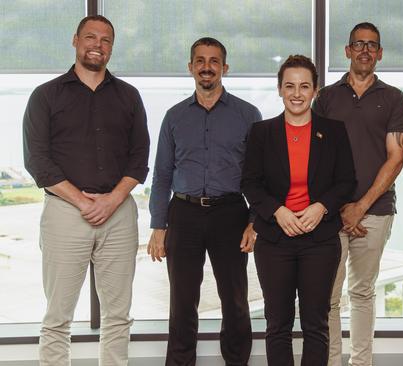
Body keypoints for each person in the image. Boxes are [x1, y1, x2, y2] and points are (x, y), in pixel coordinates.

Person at [22, 15, 149, 365]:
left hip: (119, 212)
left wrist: (112, 200)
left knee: (118, 314)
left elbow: (139, 158)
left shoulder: (129, 96)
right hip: (65, 212)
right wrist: (83, 201)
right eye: (90, 37)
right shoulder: (45, 96)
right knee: (58, 316)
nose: (98, 44)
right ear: (75, 40)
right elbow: (38, 161)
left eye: (106, 39)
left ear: (112, 46)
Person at [147, 37, 260, 365]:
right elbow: (162, 175)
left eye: (213, 61)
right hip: (183, 213)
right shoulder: (174, 116)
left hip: (231, 213)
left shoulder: (247, 115)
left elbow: (259, 176)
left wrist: (254, 221)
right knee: (182, 301)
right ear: (191, 67)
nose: (206, 66)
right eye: (200, 60)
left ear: (225, 68)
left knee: (235, 299)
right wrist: (158, 225)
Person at [241, 55, 356, 366]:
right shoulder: (261, 133)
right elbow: (250, 184)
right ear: (279, 89)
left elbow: (347, 182)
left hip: (319, 240)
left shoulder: (334, 131)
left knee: (316, 325)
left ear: (315, 90)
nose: (296, 93)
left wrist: (321, 207)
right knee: (277, 325)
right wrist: (277, 211)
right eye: (289, 86)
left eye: (304, 86)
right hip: (275, 240)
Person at [313, 22, 403, 366]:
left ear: (379, 53)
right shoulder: (325, 97)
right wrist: (340, 207)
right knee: (328, 297)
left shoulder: (393, 97)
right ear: (347, 50)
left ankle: (361, 362)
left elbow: (396, 157)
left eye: (372, 45)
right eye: (359, 44)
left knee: (363, 292)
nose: (365, 50)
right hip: (330, 213)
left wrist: (361, 206)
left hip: (377, 210)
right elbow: (316, 157)